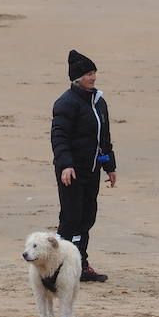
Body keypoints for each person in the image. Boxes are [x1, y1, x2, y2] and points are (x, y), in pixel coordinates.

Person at [50, 49, 118, 282]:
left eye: (94, 72)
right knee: (70, 218)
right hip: (71, 171)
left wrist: (110, 166)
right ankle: (55, 267)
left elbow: (105, 138)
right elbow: (59, 138)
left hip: (92, 170)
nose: (93, 77)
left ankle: (80, 264)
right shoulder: (66, 103)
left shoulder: (99, 102)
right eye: (89, 73)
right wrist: (66, 165)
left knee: (87, 217)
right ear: (77, 77)